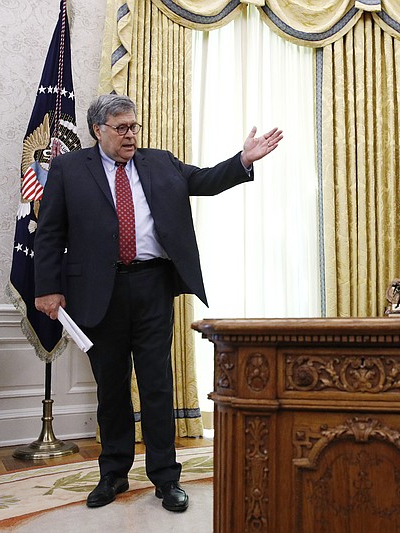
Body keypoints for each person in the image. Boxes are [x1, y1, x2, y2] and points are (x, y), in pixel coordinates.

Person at [34, 94, 282, 512]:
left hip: (151, 287)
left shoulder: (160, 162)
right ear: (99, 130)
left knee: (156, 385)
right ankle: (112, 473)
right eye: (122, 128)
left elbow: (203, 180)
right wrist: (47, 287)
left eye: (134, 126)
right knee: (111, 387)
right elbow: (50, 231)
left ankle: (166, 478)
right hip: (99, 290)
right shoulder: (68, 169)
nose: (131, 134)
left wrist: (243, 160)